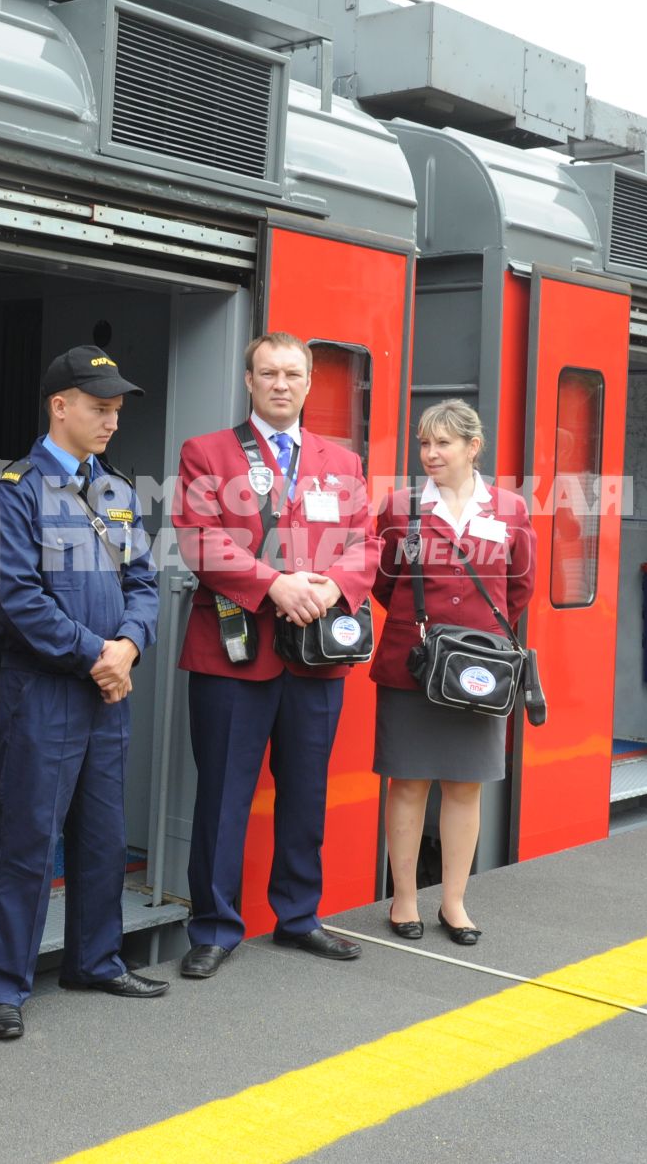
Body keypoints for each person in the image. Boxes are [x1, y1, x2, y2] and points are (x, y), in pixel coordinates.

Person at [171, 332, 381, 978]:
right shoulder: (207, 453)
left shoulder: (342, 463)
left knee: (305, 792)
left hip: (316, 657)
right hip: (232, 655)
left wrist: (333, 585)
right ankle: (213, 926)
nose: (281, 384)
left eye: (293, 373)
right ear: (249, 379)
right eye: (269, 373)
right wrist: (276, 585)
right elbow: (199, 540)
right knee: (223, 796)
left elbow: (367, 544)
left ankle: (298, 915)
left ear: (311, 382)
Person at [0, 345, 165, 1041]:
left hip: (109, 689)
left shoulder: (114, 489)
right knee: (27, 838)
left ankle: (96, 959)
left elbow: (145, 583)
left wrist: (130, 646)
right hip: (46, 692)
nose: (111, 421)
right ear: (60, 406)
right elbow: (17, 600)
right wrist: (98, 655)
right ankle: (3, 985)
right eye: (99, 407)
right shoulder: (14, 490)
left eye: (116, 410)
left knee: (103, 835)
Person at [369, 401, 535, 945]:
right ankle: (404, 900)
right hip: (411, 666)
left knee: (465, 787)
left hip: (479, 671)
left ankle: (455, 903)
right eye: (423, 444)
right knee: (409, 782)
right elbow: (383, 582)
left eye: (442, 443)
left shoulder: (509, 508)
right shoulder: (399, 508)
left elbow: (520, 586)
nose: (430, 454)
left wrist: (472, 639)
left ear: (472, 447)